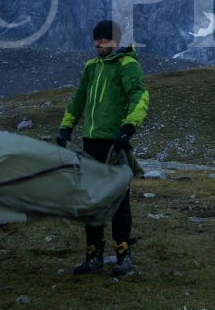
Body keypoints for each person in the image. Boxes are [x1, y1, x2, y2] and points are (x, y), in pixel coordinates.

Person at [56, 20, 149, 276]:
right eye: (96, 40)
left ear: (116, 41)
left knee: (118, 199)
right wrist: (66, 126)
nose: (98, 44)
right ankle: (93, 255)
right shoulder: (91, 67)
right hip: (91, 141)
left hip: (115, 142)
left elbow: (139, 96)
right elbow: (78, 99)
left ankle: (123, 255)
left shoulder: (127, 65)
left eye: (104, 40)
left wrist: (129, 127)